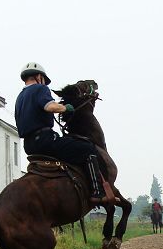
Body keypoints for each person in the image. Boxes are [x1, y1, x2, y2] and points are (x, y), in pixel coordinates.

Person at [14, 62, 115, 205]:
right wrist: (65, 108)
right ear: (39, 77)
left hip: (29, 146)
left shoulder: (20, 97)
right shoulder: (40, 88)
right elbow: (49, 106)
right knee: (87, 149)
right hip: (45, 141)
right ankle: (97, 192)